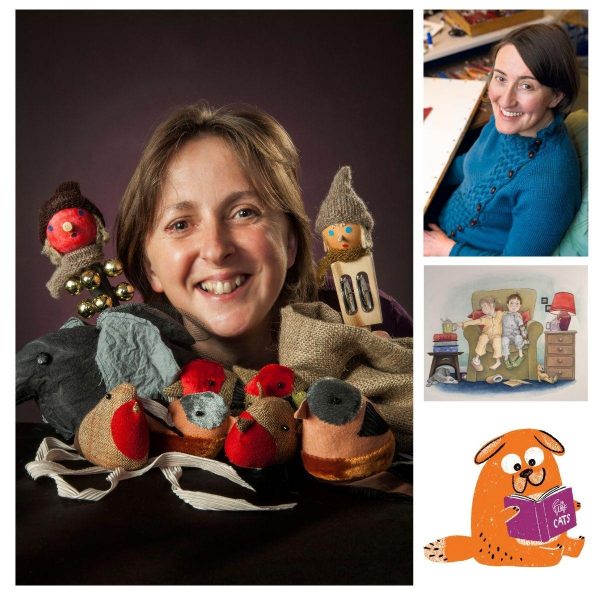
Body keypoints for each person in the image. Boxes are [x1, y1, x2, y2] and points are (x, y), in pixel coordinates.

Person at [116, 102, 410, 372]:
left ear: (290, 240)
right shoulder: (124, 373)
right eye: (180, 225)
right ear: (150, 267)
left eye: (244, 213)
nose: (216, 249)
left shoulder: (377, 321)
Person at [424, 24, 582, 256]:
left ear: (556, 96)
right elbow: (470, 165)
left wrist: (447, 250)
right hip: (438, 228)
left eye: (526, 86)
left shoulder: (549, 183)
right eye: (500, 78)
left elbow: (515, 265)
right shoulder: (505, 124)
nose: (505, 101)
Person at [459, 297, 503, 371]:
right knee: (482, 338)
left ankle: (498, 361)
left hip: (496, 335)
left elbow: (497, 320)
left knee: (497, 340)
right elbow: (475, 322)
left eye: (484, 306)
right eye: (482, 307)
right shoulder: (484, 318)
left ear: (492, 305)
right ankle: (476, 359)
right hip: (487, 335)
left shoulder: (499, 313)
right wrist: (464, 324)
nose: (483, 308)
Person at [501, 293, 528, 368]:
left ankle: (521, 355)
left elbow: (522, 328)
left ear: (520, 306)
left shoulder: (518, 316)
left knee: (518, 338)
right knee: (504, 340)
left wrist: (525, 338)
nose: (514, 306)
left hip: (515, 336)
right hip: (506, 336)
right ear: (507, 304)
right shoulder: (503, 315)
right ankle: (506, 359)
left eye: (517, 304)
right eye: (511, 303)